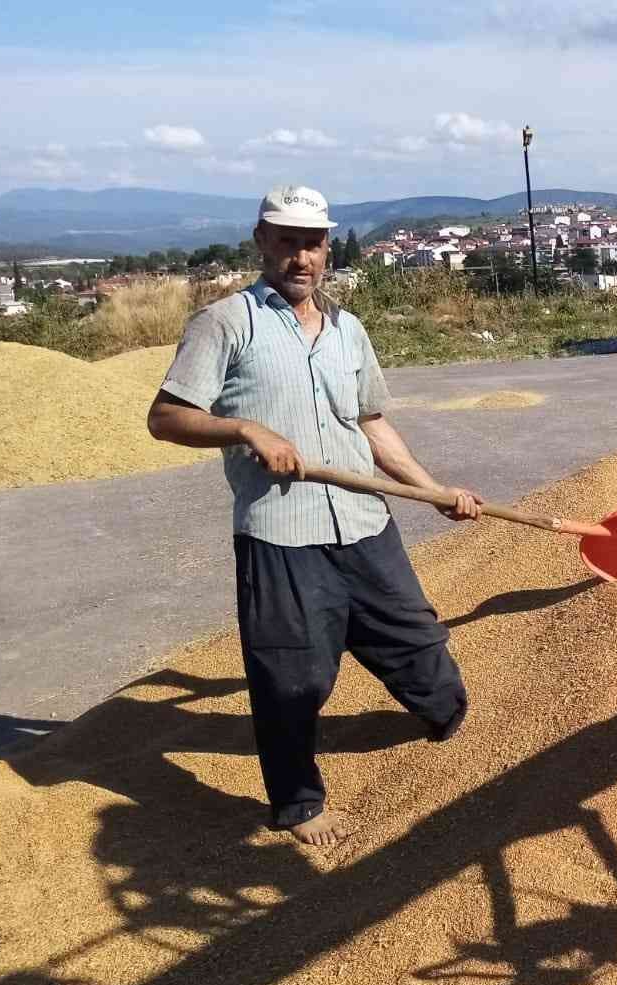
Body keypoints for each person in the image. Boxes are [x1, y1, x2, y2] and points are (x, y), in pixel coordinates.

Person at [147, 184, 482, 846]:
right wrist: (246, 430)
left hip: (363, 522)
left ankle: (451, 724)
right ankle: (298, 804)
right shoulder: (225, 323)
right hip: (282, 536)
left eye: (313, 243)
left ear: (328, 249)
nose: (301, 256)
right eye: (288, 240)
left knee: (421, 649)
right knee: (291, 678)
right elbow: (165, 417)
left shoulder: (348, 332)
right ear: (262, 241)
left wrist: (435, 489)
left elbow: (371, 423)